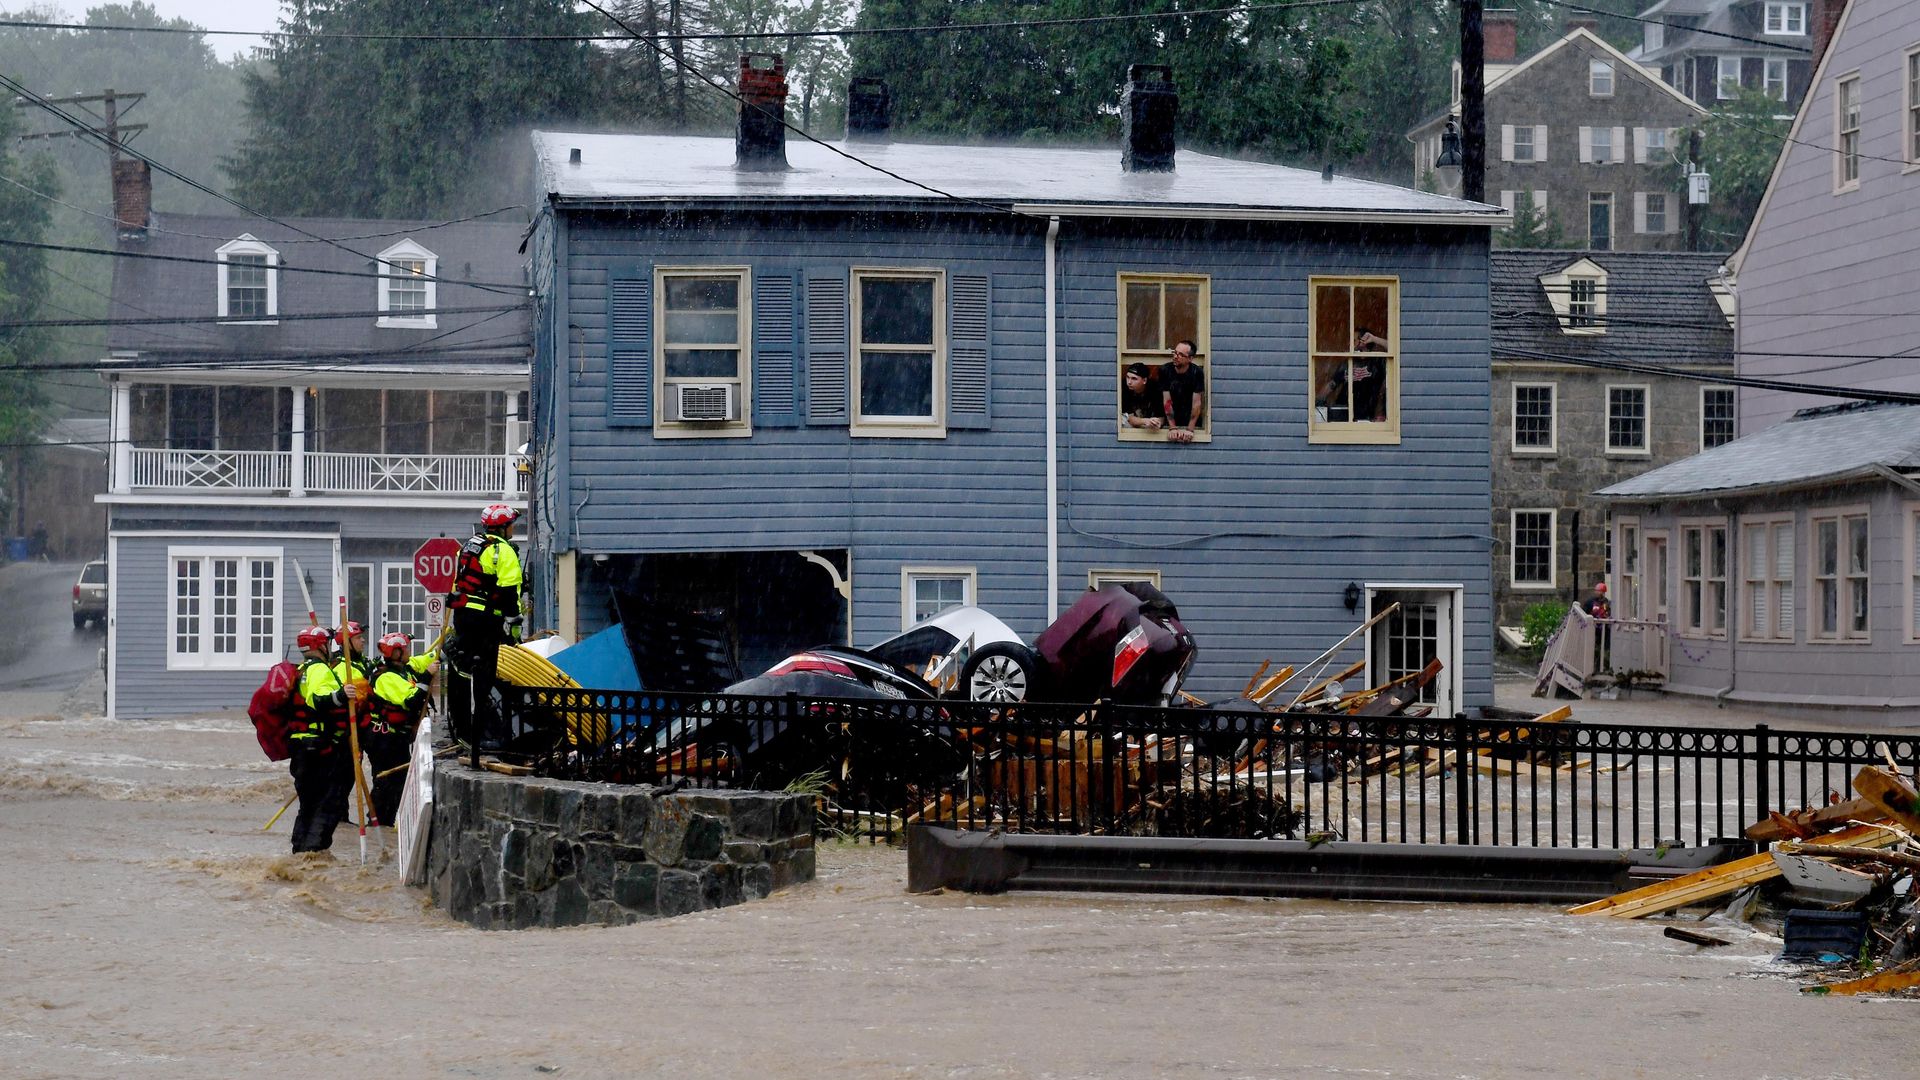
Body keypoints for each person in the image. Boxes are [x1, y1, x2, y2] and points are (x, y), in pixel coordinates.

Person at [447, 503, 524, 751]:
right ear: (502, 528)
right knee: (487, 672)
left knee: (464, 669)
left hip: (463, 616)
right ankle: (481, 735)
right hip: (486, 620)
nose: (513, 528)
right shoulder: (504, 551)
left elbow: (461, 583)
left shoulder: (468, 547)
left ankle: (462, 729)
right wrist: (514, 628)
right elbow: (509, 592)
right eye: (511, 524)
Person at [286, 625, 355, 853]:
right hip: (317, 748)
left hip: (301, 748)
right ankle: (313, 855)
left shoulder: (302, 670)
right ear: (320, 646)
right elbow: (317, 700)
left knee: (308, 805)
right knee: (328, 804)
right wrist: (342, 695)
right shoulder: (319, 670)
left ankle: (299, 854)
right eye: (328, 643)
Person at [365, 632, 435, 826]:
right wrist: (427, 676)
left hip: (396, 738)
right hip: (384, 740)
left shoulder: (405, 668)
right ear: (396, 653)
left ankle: (385, 823)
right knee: (386, 784)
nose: (409, 653)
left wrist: (443, 650)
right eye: (406, 649)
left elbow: (428, 658)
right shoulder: (386, 678)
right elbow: (411, 701)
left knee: (398, 784)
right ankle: (377, 824)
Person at [1315, 328, 1389, 424]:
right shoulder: (1347, 363)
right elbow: (1331, 384)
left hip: (1366, 416)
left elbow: (1397, 350)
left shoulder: (1378, 361)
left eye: (1353, 340)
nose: (1350, 343)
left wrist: (1374, 339)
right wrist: (1316, 402)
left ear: (1363, 341)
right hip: (1343, 413)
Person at [1159, 340, 1205, 443]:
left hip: (1190, 416)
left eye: (1180, 355)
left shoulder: (1197, 373)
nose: (1175, 356)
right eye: (1175, 352)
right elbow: (1167, 401)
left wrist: (1190, 428)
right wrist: (1172, 427)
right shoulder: (1165, 370)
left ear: (1190, 358)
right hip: (1172, 416)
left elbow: (1197, 403)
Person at [1579, 582, 1612, 671]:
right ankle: (1592, 666)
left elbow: (1609, 614)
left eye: (1599, 591)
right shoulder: (1590, 602)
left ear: (1603, 592)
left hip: (1604, 630)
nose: (1597, 593)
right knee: (1593, 648)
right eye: (1596, 591)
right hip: (1593, 629)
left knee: (1604, 648)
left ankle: (1602, 666)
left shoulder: (1607, 603)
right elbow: (1584, 613)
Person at [1120, 362, 1163, 431]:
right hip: (1131, 427)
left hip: (1152, 429)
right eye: (1127, 377)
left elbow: (1161, 417)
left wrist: (1156, 422)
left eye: (1134, 378)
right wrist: (1146, 421)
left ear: (1144, 380)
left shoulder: (1155, 389)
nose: (1129, 382)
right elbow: (1129, 419)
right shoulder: (1123, 388)